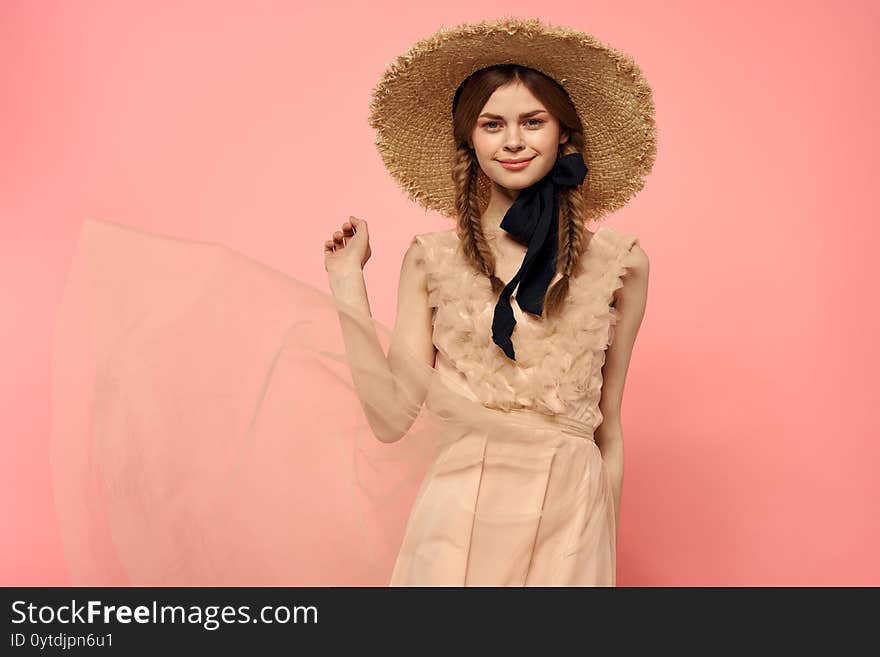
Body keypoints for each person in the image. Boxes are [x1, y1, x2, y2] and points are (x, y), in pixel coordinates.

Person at [50, 17, 655, 587]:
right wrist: (347, 284)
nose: (513, 140)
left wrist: (603, 546)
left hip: (571, 520)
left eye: (534, 121)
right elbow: (392, 417)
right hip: (460, 513)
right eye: (492, 124)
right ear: (468, 140)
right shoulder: (431, 259)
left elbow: (609, 427)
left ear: (563, 133)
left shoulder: (620, 265)